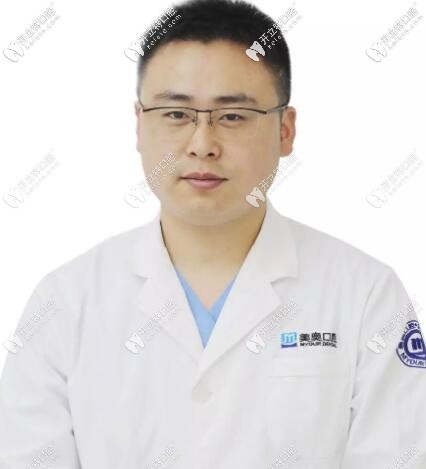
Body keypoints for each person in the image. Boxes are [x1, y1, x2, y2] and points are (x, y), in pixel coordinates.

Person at [1, 0, 425, 468]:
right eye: (176, 114)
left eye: (233, 116)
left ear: (285, 131)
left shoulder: (366, 296)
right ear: (139, 125)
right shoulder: (65, 302)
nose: (202, 144)